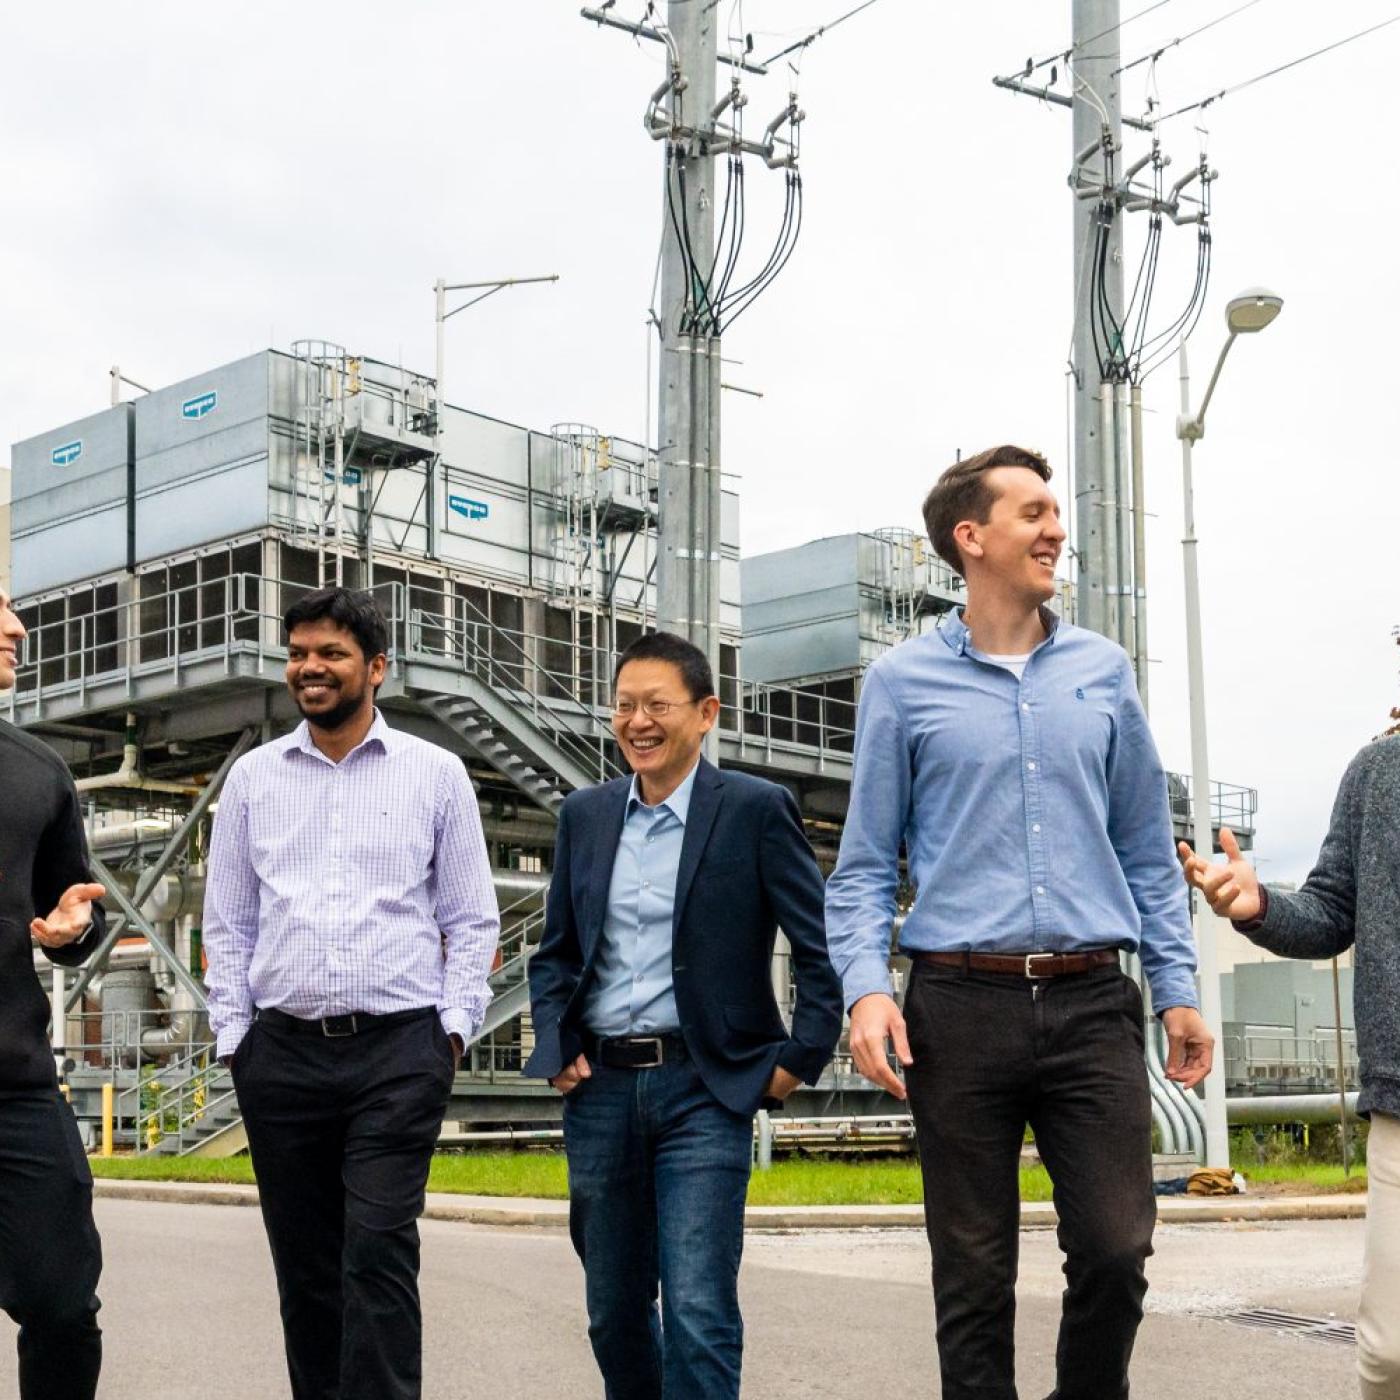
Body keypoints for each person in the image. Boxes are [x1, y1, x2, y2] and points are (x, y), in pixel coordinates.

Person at [825, 444, 1214, 1400]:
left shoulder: (1102, 671)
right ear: (971, 538)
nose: (1056, 529)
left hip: (1092, 1002)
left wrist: (1177, 991)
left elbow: (1144, 848)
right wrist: (867, 990)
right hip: (959, 1005)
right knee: (971, 1272)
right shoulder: (902, 685)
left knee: (1118, 1250)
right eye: (1033, 512)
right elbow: (865, 866)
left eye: (1054, 511)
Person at [526, 630, 843, 1400]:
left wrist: (799, 1058)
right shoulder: (586, 815)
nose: (638, 721)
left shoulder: (757, 811)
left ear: (706, 713)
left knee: (699, 1308)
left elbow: (817, 945)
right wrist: (555, 1040)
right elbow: (556, 952)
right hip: (599, 1088)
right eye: (625, 705)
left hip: (705, 1088)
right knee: (613, 1313)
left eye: (657, 705)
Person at [203, 585, 499, 1400]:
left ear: (376, 668)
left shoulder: (436, 775)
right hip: (282, 1055)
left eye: (330, 653)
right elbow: (226, 923)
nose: (310, 668)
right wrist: (237, 1039)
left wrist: (452, 1029)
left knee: (375, 1252)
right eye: (298, 653)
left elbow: (471, 917)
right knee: (305, 1270)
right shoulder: (254, 780)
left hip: (398, 1051)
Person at [1180, 743, 1400, 1399]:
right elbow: (1331, 909)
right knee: (1390, 1352)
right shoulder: (1378, 773)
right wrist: (1260, 907)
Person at [0, 588, 107, 1400]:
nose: (17, 629)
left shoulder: (38, 771)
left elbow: (74, 905)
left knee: (64, 1305)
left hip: (16, 1084)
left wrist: (72, 928)